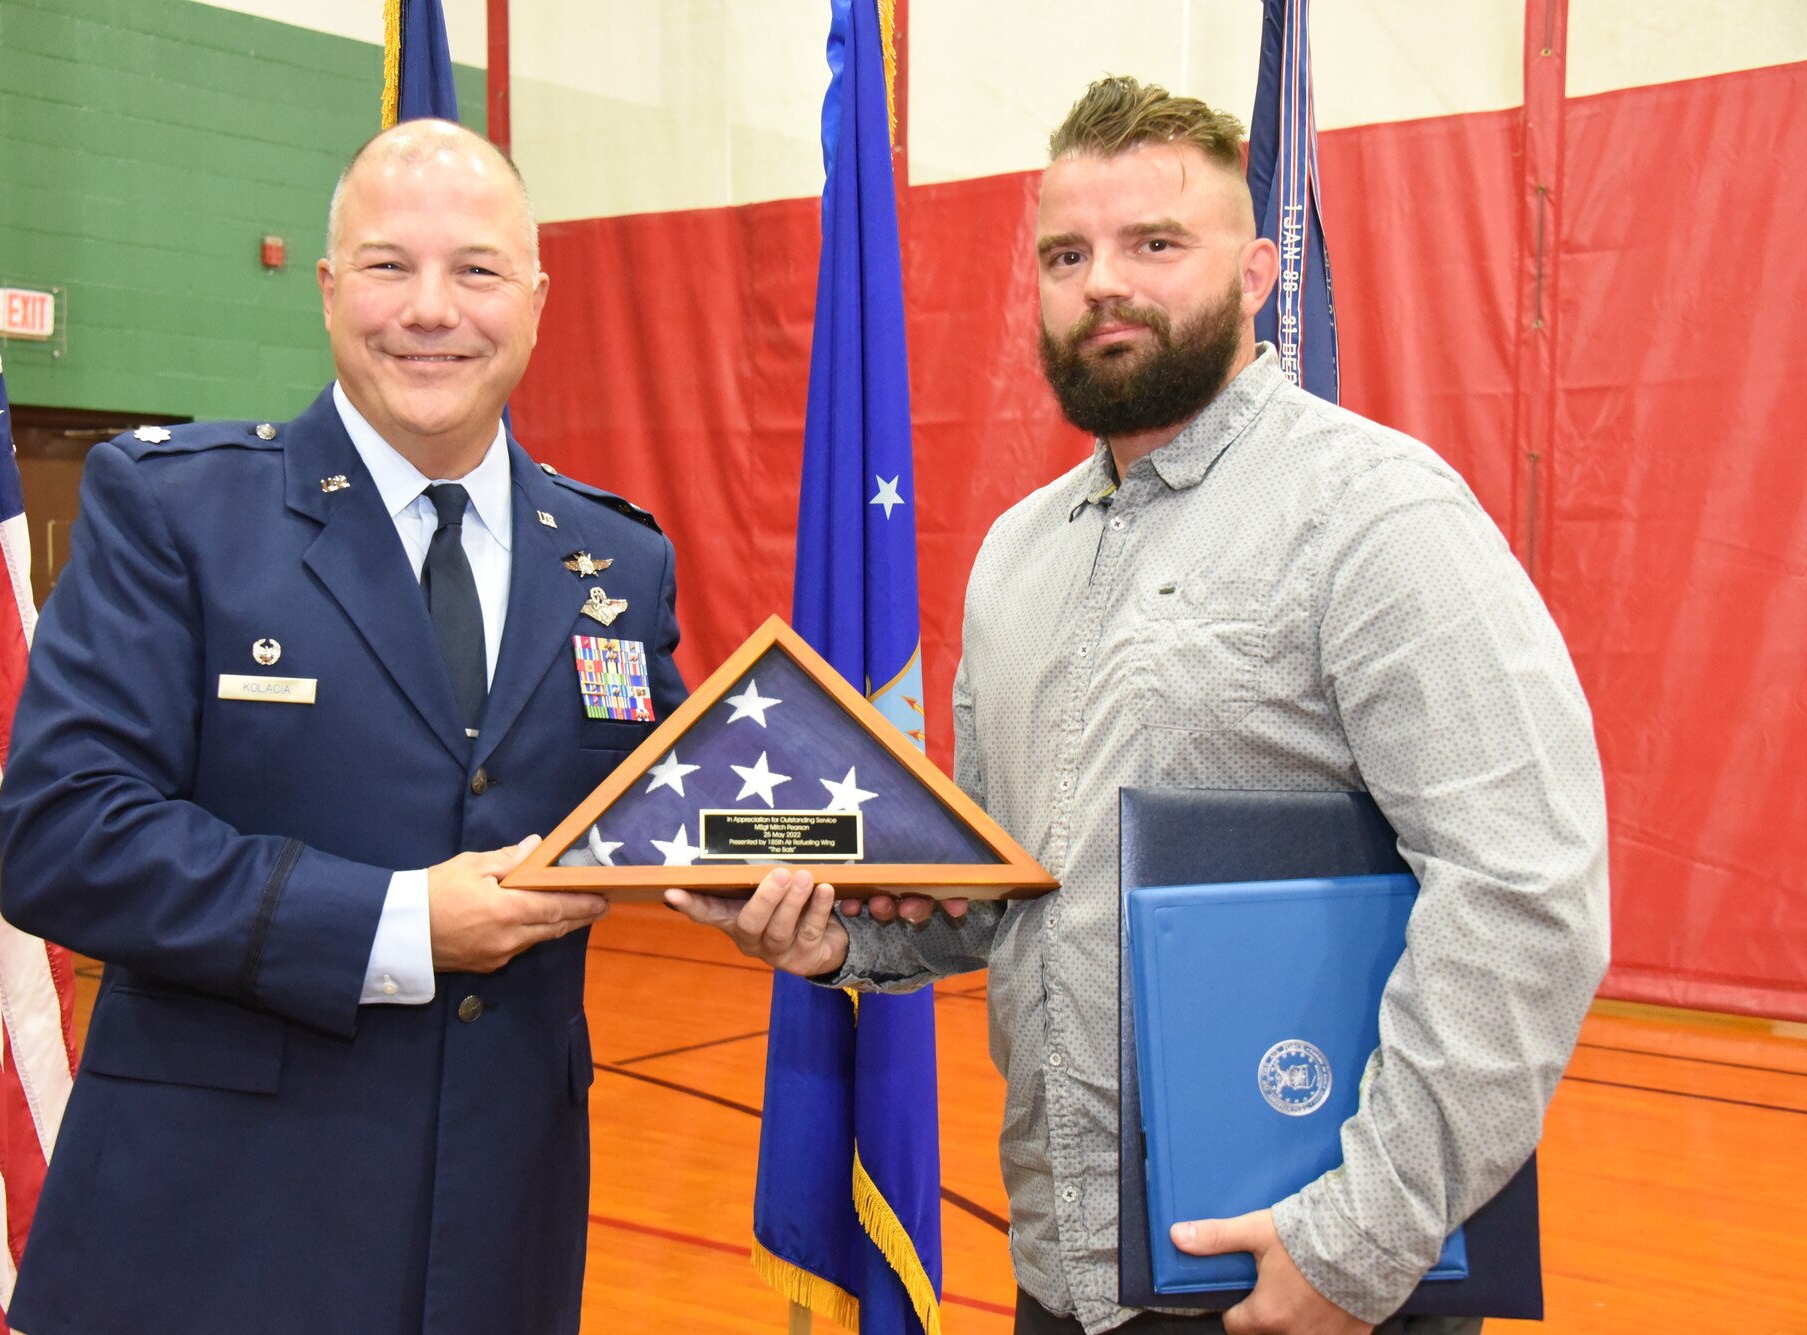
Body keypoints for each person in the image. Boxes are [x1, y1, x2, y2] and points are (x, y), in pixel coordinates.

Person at [670, 78, 1609, 1335]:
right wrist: (844, 941)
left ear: (1258, 272)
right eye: (1067, 252)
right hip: (1063, 1269)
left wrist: (1359, 1239)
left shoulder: (1375, 515)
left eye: (1153, 244)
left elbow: (1523, 890)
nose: (1101, 281)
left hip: (1295, 1271)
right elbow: (1004, 887)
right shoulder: (1015, 555)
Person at [0, 119, 685, 1334]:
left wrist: (814, 892)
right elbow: (67, 838)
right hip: (216, 1230)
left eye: (475, 271)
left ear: (533, 300)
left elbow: (664, 811)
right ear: (325, 291)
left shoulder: (615, 560)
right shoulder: (175, 512)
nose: (431, 309)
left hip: (499, 1229)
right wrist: (406, 922)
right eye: (386, 266)